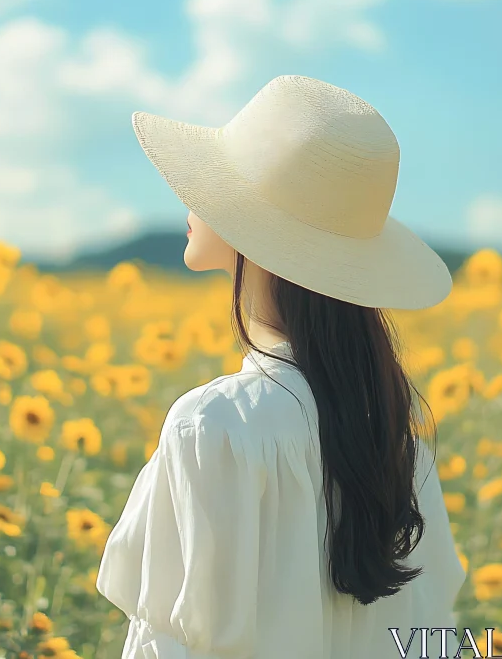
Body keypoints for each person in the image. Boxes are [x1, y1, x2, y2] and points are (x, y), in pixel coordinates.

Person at [96, 75, 467, 659]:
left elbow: (173, 646)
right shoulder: (397, 436)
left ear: (255, 229)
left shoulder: (215, 427)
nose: (188, 199)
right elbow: (429, 637)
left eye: (212, 183)